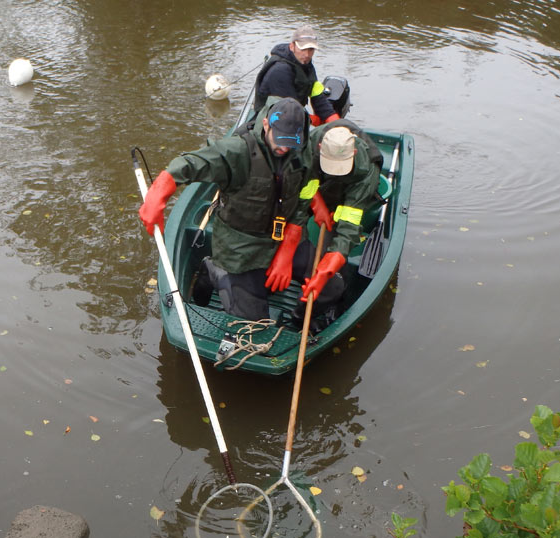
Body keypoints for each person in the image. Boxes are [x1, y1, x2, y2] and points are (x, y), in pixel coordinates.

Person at [138, 96, 320, 322]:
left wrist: (289, 248)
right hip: (241, 247)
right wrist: (158, 193)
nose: (285, 147)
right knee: (254, 323)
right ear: (266, 125)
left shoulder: (302, 148)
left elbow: (305, 195)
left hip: (283, 237)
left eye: (291, 142)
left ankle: (301, 320)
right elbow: (190, 164)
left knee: (330, 285)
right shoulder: (237, 151)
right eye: (280, 139)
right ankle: (214, 270)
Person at [297, 120, 382, 328]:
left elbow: (350, 223)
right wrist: (316, 204)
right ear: (319, 149)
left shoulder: (366, 170)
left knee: (336, 252)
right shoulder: (307, 144)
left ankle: (315, 308)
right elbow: (302, 176)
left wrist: (329, 265)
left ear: (353, 152)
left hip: (346, 194)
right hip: (315, 185)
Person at [254, 25, 341, 125]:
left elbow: (317, 96)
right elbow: (288, 111)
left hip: (292, 115)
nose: (307, 55)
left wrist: (332, 119)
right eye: (302, 49)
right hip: (272, 122)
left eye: (311, 49)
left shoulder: (306, 64)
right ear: (292, 46)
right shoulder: (280, 71)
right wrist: (313, 120)